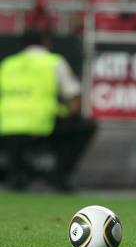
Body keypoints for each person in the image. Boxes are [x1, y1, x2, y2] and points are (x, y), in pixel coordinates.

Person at [0, 30, 95, 191]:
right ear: (46, 42)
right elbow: (74, 99)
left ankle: (16, 174)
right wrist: (64, 113)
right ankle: (58, 175)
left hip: (6, 128)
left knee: (15, 141)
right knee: (86, 126)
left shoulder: (8, 64)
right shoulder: (53, 62)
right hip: (41, 127)